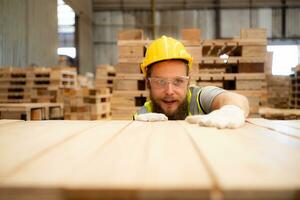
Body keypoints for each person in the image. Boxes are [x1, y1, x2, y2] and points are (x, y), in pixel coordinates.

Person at [134, 36, 249, 129]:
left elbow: (235, 99)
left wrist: (232, 110)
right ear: (148, 83)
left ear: (188, 82)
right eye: (160, 82)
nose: (169, 91)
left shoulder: (199, 98)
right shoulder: (143, 115)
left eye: (178, 81)